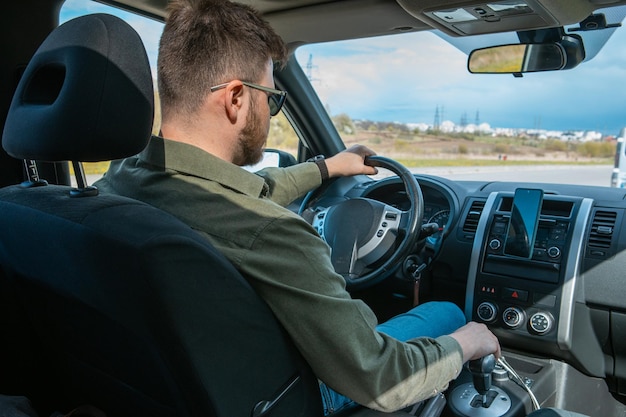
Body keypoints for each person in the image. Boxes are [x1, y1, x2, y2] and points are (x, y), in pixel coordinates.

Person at [94, 0, 500, 414]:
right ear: (236, 98)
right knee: (449, 314)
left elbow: (243, 192)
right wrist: (469, 343)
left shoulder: (119, 180)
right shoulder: (275, 236)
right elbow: (383, 378)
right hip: (282, 397)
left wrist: (326, 168)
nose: (271, 115)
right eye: (271, 100)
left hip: (158, 389)